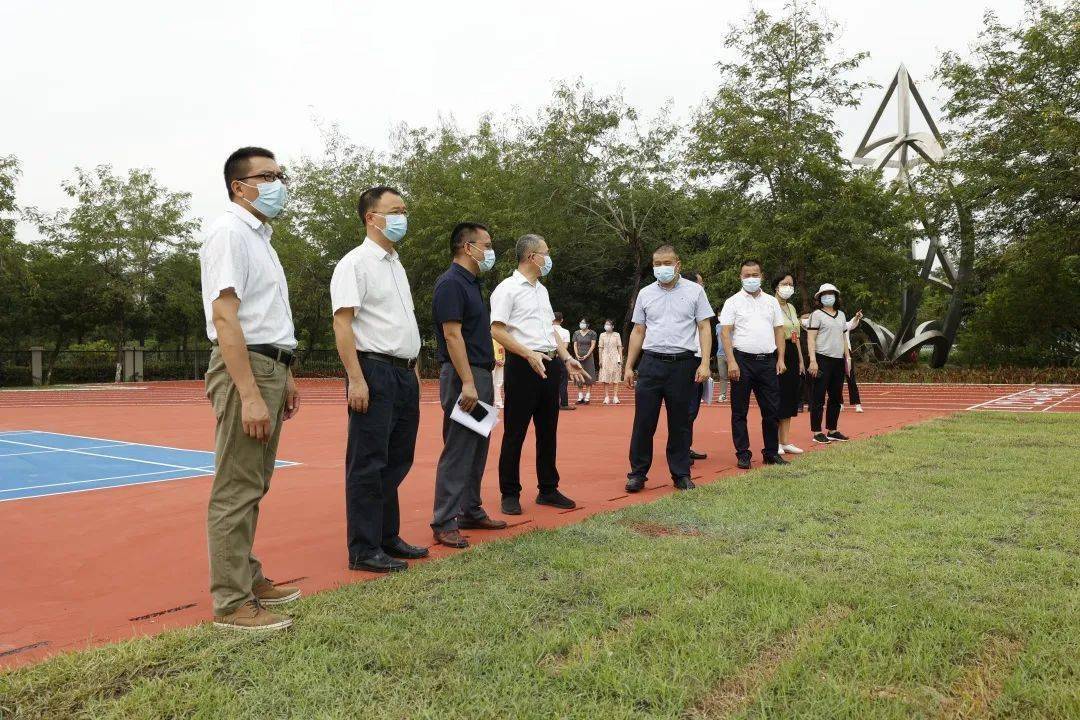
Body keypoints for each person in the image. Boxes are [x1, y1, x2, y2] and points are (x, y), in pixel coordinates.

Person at [200, 146, 302, 632]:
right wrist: (251, 393)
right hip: (248, 369)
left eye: (280, 175)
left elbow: (268, 316)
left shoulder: (261, 238)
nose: (278, 183)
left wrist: (287, 375)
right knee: (236, 486)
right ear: (238, 186)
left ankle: (248, 575)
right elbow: (226, 317)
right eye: (266, 176)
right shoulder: (228, 234)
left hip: (270, 364)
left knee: (255, 482)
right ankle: (231, 602)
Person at [331, 186, 427, 574]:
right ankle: (364, 548)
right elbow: (343, 322)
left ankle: (388, 536)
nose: (402, 216)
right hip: (373, 370)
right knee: (368, 463)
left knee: (397, 459)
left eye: (405, 209)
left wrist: (414, 369)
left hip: (404, 373)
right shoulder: (354, 264)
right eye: (395, 210)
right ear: (371, 218)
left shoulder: (395, 263)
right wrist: (356, 377)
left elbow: (402, 323)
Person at [490, 234, 588, 514]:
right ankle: (509, 493)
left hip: (550, 362)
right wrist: (527, 353)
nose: (549, 257)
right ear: (532, 257)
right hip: (523, 365)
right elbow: (497, 329)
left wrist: (567, 357)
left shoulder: (541, 290)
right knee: (515, 432)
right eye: (546, 252)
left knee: (548, 431)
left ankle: (548, 489)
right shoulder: (507, 289)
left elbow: (550, 331)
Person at [429, 223, 508, 549]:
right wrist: (467, 383)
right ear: (467, 247)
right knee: (460, 447)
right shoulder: (450, 284)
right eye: (486, 245)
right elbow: (452, 335)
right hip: (467, 376)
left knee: (477, 445)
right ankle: (444, 520)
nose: (490, 251)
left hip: (481, 374)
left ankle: (470, 510)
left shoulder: (472, 284)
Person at [624, 246, 713, 493]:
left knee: (680, 422)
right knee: (644, 421)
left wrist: (705, 362)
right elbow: (638, 330)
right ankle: (637, 474)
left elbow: (704, 327)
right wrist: (629, 365)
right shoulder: (645, 293)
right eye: (657, 263)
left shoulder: (695, 292)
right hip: (651, 362)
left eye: (667, 262)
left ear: (678, 264)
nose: (662, 267)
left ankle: (681, 473)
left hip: (683, 363)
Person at [718, 259, 789, 470]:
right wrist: (731, 361)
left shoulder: (771, 302)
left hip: (767, 361)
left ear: (762, 276)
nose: (751, 279)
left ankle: (770, 452)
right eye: (747, 275)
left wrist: (781, 359)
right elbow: (725, 332)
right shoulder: (732, 302)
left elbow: (779, 330)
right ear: (741, 277)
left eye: (755, 275)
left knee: (772, 410)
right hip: (741, 361)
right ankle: (743, 453)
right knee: (739, 411)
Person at [806, 283, 852, 444]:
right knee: (818, 397)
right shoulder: (816, 315)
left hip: (838, 360)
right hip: (822, 359)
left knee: (835, 397)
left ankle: (832, 429)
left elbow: (843, 337)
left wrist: (847, 358)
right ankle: (817, 431)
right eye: (824, 294)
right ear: (819, 298)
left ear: (836, 296)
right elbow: (811, 338)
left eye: (831, 294)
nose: (828, 297)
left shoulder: (841, 315)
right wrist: (812, 360)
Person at [771, 273, 805, 455]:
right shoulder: (770, 304)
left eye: (791, 284)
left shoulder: (791, 307)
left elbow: (796, 335)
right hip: (777, 351)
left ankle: (785, 441)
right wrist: (779, 358)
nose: (788, 287)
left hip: (792, 351)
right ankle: (773, 441)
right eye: (785, 283)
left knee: (790, 397)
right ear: (776, 286)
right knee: (778, 396)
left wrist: (800, 360)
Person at [682, 269, 709, 462]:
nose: (702, 287)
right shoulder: (685, 307)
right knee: (687, 409)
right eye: (700, 284)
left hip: (699, 361)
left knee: (693, 409)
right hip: (687, 361)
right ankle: (681, 450)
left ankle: (686, 446)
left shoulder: (700, 308)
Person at [552, 313, 575, 411]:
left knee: (550, 380)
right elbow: (564, 346)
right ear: (562, 320)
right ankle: (564, 403)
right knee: (563, 380)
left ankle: (550, 403)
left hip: (548, 356)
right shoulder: (565, 331)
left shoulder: (547, 329)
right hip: (561, 358)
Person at [597, 319, 623, 404]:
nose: (606, 326)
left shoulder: (617, 335)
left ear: (613, 326)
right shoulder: (602, 335)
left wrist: (620, 358)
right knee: (605, 377)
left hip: (615, 357)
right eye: (605, 324)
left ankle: (615, 397)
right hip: (605, 357)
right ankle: (606, 397)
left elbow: (619, 347)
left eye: (609, 324)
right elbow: (600, 347)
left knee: (616, 376)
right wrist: (600, 359)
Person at [843, 310, 864, 412]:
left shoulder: (845, 325)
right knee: (836, 380)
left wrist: (856, 317)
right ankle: (839, 403)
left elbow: (852, 322)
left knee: (851, 379)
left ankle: (857, 404)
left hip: (847, 354)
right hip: (834, 354)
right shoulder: (827, 325)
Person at [572, 319, 598, 404]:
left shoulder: (592, 333)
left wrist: (587, 355)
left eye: (583, 323)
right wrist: (576, 354)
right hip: (578, 356)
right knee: (579, 374)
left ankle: (587, 396)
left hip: (588, 357)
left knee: (588, 374)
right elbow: (575, 345)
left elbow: (593, 345)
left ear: (587, 324)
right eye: (581, 323)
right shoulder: (576, 333)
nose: (582, 324)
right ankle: (580, 397)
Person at [492, 338, 505, 409]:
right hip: (492, 361)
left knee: (499, 382)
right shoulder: (489, 335)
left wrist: (504, 359)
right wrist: (495, 360)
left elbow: (503, 348)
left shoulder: (499, 337)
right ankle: (491, 402)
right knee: (491, 382)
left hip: (500, 361)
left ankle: (498, 402)